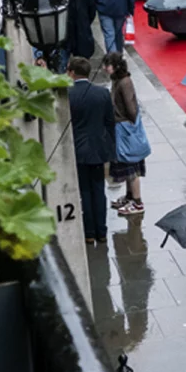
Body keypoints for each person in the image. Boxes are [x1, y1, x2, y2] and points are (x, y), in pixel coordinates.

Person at [66, 57, 115, 246]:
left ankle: (89, 233)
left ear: (72, 72)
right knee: (99, 190)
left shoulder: (68, 93)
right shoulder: (102, 93)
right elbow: (109, 122)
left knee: (85, 192)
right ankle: (102, 231)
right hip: (98, 149)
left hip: (78, 149)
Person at [58, 0, 96, 68]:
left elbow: (91, 13)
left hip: (81, 38)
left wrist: (83, 25)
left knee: (80, 69)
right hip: (62, 40)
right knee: (60, 69)